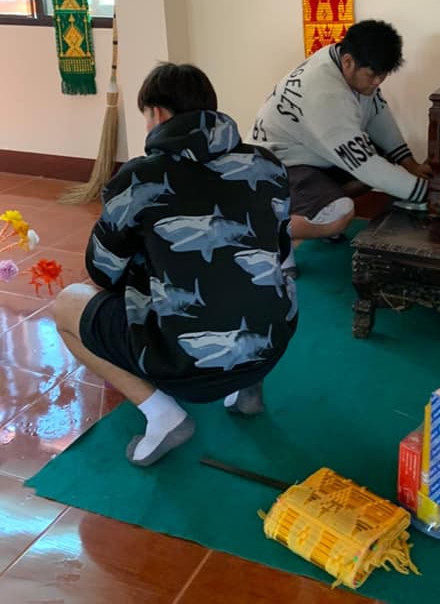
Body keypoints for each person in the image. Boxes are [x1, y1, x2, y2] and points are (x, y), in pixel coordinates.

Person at [53, 63, 297, 467]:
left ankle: (163, 415)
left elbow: (102, 271)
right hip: (272, 343)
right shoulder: (267, 165)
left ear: (158, 113)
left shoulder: (139, 177)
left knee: (66, 305)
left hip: (183, 369)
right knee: (254, 276)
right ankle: (248, 389)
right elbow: (279, 246)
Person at [253, 19, 440, 241]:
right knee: (340, 214)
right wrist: (435, 195)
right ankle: (261, 231)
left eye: (382, 75)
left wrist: (411, 165)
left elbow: (377, 115)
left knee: (383, 160)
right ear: (348, 62)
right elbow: (365, 165)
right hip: (275, 167)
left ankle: (317, 207)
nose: (377, 82)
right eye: (372, 75)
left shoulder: (341, 59)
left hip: (309, 155)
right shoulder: (326, 95)